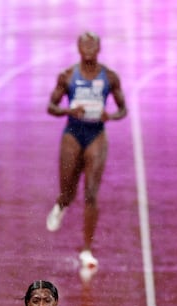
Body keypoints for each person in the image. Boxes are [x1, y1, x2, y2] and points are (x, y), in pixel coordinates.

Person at [43, 32, 127, 270]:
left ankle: (87, 250)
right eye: (84, 44)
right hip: (72, 134)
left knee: (91, 192)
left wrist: (109, 116)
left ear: (99, 47)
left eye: (93, 44)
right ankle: (61, 204)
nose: (89, 48)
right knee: (68, 189)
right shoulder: (68, 76)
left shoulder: (109, 77)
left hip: (96, 135)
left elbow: (123, 109)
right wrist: (69, 111)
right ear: (78, 48)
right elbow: (51, 106)